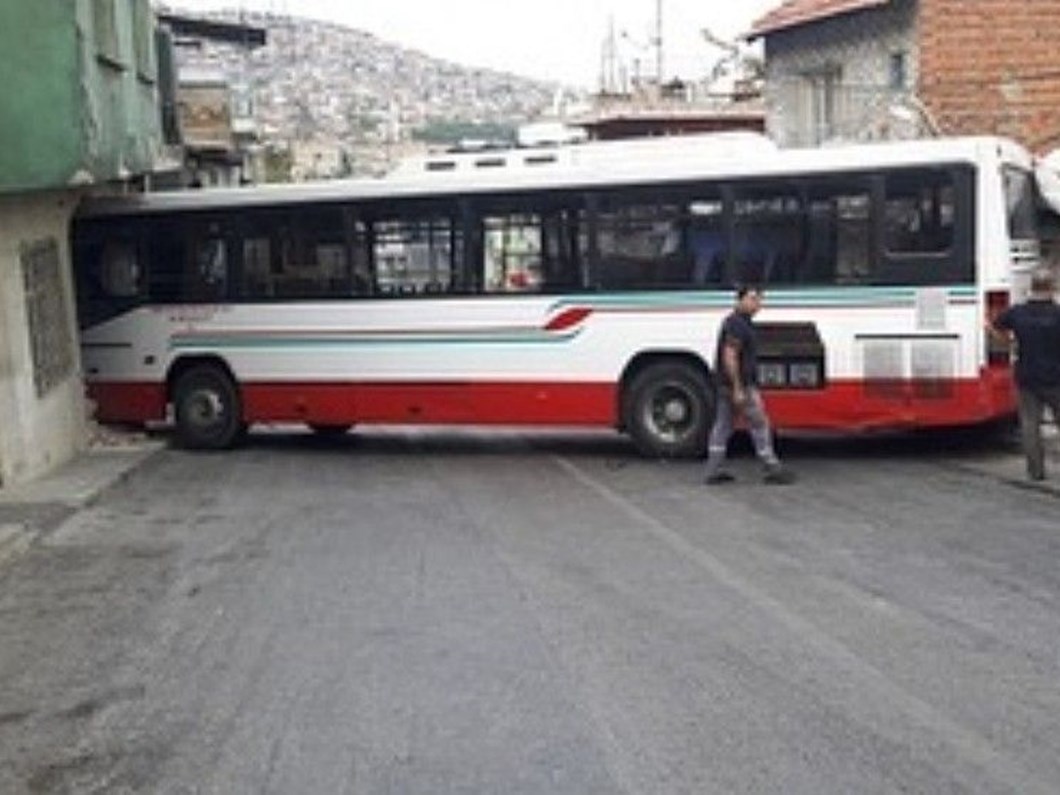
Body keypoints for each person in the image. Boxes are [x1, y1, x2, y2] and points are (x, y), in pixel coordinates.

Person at [704, 285, 795, 485]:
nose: (757, 304)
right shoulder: (738, 325)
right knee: (759, 424)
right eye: (752, 298)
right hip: (741, 385)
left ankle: (713, 469)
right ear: (739, 300)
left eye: (760, 299)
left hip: (726, 384)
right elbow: (730, 356)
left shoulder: (736, 322)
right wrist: (738, 387)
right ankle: (771, 467)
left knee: (723, 426)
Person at [987, 269, 1060, 481]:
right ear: (1052, 288)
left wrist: (1008, 343)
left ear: (1032, 287)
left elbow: (992, 325)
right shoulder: (1057, 313)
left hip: (1026, 376)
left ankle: (1036, 471)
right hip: (1056, 377)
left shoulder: (1018, 312)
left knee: (1030, 425)